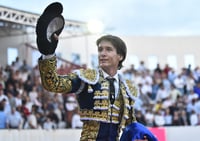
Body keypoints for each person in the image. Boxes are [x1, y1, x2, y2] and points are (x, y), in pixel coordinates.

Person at [36, 2, 157, 141]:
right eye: (100, 50)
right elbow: (52, 84)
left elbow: (131, 126)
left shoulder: (127, 88)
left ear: (120, 56)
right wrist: (48, 54)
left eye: (108, 49)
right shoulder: (87, 78)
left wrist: (140, 138)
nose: (102, 54)